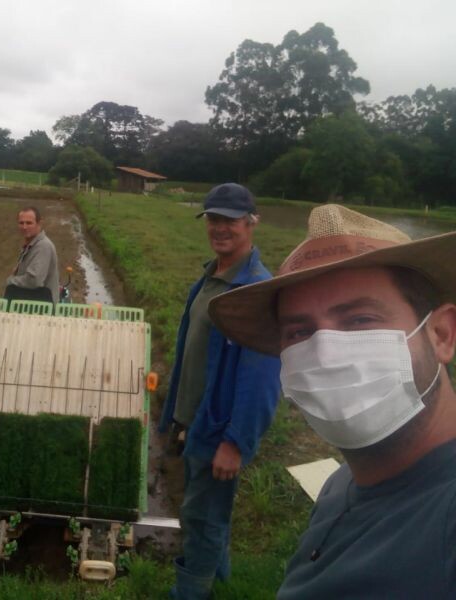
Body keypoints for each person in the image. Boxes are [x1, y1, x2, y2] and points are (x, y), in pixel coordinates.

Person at [208, 204, 456, 597]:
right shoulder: (339, 484)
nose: (324, 355)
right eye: (300, 332)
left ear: (441, 334)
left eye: (359, 320)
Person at [158, 183, 281, 599]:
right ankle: (221, 578)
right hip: (193, 421)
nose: (220, 228)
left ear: (251, 223)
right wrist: (171, 414)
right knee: (207, 511)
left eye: (230, 219)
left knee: (201, 517)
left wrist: (237, 442)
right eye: (213, 218)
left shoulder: (254, 292)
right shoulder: (212, 277)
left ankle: (191, 593)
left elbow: (262, 381)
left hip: (217, 431)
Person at [4, 206, 59, 304]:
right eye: (21, 223)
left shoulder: (43, 246)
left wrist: (11, 280)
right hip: (30, 301)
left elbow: (34, 280)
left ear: (39, 223)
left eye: (29, 223)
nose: (24, 227)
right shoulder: (31, 245)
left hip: (41, 307)